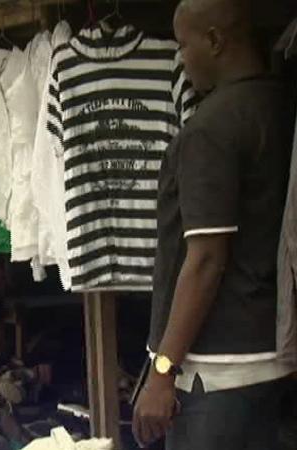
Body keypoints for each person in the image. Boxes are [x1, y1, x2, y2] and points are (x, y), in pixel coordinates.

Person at [133, 0, 297, 449]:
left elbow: (206, 258)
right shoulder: (282, 106)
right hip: (275, 350)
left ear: (215, 40)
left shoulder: (211, 127)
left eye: (183, 45)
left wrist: (162, 371)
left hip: (217, 370)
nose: (181, 59)